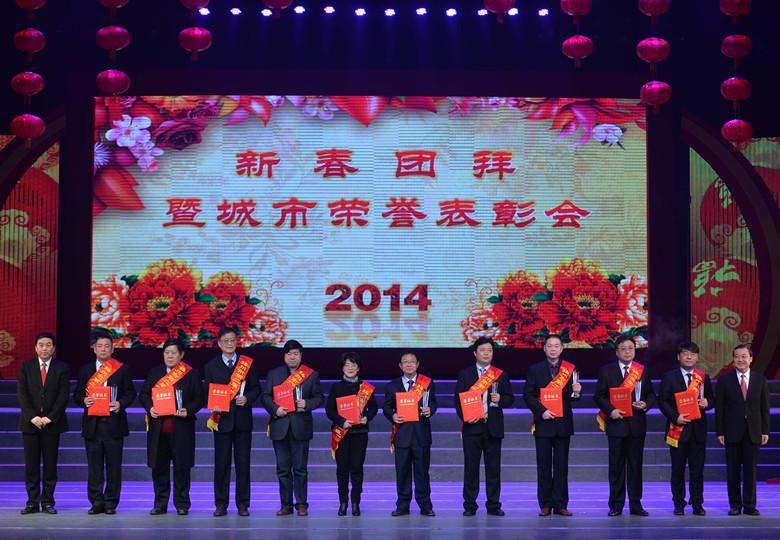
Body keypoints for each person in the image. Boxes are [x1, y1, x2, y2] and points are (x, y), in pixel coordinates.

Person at [139, 338, 205, 515]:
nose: (169, 356)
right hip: (158, 430)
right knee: (159, 468)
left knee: (182, 468)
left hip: (181, 428)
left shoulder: (191, 374)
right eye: (166, 352)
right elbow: (143, 395)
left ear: (181, 355)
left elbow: (200, 398)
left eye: (173, 352)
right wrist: (150, 408)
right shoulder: (154, 373)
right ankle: (160, 504)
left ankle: (182, 504)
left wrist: (188, 410)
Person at [72, 333, 136, 514]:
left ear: (112, 349)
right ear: (94, 348)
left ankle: (110, 503)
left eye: (107, 346)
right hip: (92, 425)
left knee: (114, 467)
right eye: (100, 346)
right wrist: (83, 400)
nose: (103, 349)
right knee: (94, 467)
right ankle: (96, 501)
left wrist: (120, 403)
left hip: (114, 424)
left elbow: (130, 393)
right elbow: (77, 394)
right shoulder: (85, 370)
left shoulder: (122, 369)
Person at [593, 335, 656, 516]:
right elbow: (599, 396)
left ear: (635, 351)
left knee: (636, 467)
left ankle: (636, 504)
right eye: (624, 349)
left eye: (631, 348)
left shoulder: (643, 371)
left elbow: (651, 395)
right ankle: (616, 505)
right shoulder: (606, 371)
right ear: (617, 352)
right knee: (616, 467)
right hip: (616, 424)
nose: (628, 352)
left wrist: (646, 404)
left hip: (637, 426)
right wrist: (610, 410)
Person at [261, 339, 324, 516]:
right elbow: (265, 397)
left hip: (300, 426)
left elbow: (319, 398)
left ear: (301, 355)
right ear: (284, 356)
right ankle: (286, 504)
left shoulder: (311, 375)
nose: (292, 357)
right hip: (279, 425)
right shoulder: (274, 374)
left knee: (300, 469)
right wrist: (275, 409)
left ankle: (302, 504)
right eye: (289, 354)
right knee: (282, 469)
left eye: (296, 353)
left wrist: (307, 403)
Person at [203, 327, 261, 516]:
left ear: (237, 342)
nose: (229, 344)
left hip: (243, 421)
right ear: (219, 343)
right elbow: (206, 393)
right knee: (221, 464)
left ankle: (243, 504)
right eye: (226, 340)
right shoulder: (211, 366)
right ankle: (221, 503)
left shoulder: (247, 364)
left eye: (233, 340)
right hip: (222, 421)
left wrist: (247, 398)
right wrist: (212, 405)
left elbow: (256, 388)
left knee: (243, 464)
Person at [454, 336, 514, 516]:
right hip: (472, 427)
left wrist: (500, 399)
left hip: (493, 428)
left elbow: (510, 399)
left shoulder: (500, 374)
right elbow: (458, 401)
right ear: (475, 353)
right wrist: (466, 418)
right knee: (471, 469)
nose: (486, 353)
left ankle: (493, 504)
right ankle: (470, 505)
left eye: (489, 350)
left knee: (493, 469)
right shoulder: (465, 374)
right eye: (482, 350)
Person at [523, 334, 581, 516]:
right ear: (544, 349)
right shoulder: (534, 370)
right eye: (550, 346)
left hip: (563, 424)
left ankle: (561, 504)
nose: (553, 349)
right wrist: (542, 411)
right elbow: (528, 395)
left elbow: (573, 398)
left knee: (561, 467)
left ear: (561, 349)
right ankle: (545, 504)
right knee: (544, 467)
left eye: (557, 346)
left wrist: (577, 392)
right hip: (543, 423)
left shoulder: (571, 369)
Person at [658, 341, 714, 516]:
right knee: (678, 470)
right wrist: (675, 417)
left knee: (697, 471)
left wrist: (707, 403)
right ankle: (679, 503)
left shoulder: (703, 378)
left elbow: (712, 399)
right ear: (678, 356)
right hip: (677, 429)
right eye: (685, 353)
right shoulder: (669, 377)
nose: (689, 357)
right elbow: (662, 401)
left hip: (698, 432)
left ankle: (697, 503)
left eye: (692, 354)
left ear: (697, 358)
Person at [17, 332, 70, 515]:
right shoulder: (26, 366)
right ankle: (32, 502)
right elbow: (22, 393)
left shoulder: (62, 368)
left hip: (51, 424)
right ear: (35, 348)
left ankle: (48, 502)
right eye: (41, 345)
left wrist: (50, 417)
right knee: (31, 466)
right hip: (30, 423)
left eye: (48, 345)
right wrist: (32, 416)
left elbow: (63, 395)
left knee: (50, 466)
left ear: (53, 348)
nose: (44, 348)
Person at [715, 344, 770, 516]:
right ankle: (735, 505)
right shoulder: (724, 380)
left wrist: (765, 431)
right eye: (737, 356)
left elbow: (764, 408)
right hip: (731, 431)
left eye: (744, 356)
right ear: (733, 360)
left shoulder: (760, 380)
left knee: (750, 471)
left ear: (751, 359)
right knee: (732, 470)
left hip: (753, 431)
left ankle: (750, 505)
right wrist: (720, 432)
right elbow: (719, 409)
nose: (740, 359)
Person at [383, 351, 437, 517]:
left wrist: (430, 409)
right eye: (405, 362)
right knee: (402, 472)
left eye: (412, 361)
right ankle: (402, 505)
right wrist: (392, 416)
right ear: (400, 365)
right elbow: (386, 407)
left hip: (421, 435)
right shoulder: (392, 385)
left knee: (422, 472)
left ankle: (425, 505)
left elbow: (433, 402)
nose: (409, 364)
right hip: (402, 435)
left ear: (417, 364)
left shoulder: (427, 383)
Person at [325, 352, 379, 516]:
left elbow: (374, 407)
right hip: (342, 432)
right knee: (342, 469)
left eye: (353, 365)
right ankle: (343, 503)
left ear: (358, 368)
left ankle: (355, 503)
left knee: (357, 469)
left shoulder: (366, 388)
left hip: (360, 433)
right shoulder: (336, 387)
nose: (350, 368)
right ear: (342, 368)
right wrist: (342, 421)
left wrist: (367, 417)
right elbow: (330, 410)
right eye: (347, 365)